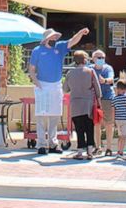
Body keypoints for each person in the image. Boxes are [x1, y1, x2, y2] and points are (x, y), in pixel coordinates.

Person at [28, 26, 89, 155]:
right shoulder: (37, 50)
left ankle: (53, 143)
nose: (55, 39)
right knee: (41, 116)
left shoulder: (59, 47)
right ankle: (41, 144)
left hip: (56, 85)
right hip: (42, 85)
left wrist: (80, 32)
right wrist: (36, 83)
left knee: (55, 115)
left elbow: (72, 41)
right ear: (46, 39)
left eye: (56, 37)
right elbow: (32, 69)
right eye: (52, 37)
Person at [63, 50, 102, 160]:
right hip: (88, 104)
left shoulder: (70, 73)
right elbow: (98, 89)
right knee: (89, 128)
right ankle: (90, 152)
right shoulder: (90, 71)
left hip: (75, 105)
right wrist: (99, 103)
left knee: (79, 129)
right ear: (85, 60)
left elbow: (65, 89)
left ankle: (80, 152)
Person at [91, 50, 116, 155]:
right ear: (93, 58)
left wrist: (105, 80)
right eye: (98, 57)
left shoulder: (108, 68)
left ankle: (109, 148)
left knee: (108, 123)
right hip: (94, 99)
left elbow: (111, 78)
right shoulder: (89, 69)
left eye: (102, 57)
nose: (101, 59)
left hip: (107, 98)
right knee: (96, 124)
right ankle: (97, 146)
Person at [111, 79, 126, 158]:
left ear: (117, 89)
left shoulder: (114, 99)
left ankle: (118, 151)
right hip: (125, 119)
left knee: (120, 137)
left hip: (117, 119)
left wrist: (113, 122)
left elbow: (113, 111)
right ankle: (121, 152)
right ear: (125, 89)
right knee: (124, 136)